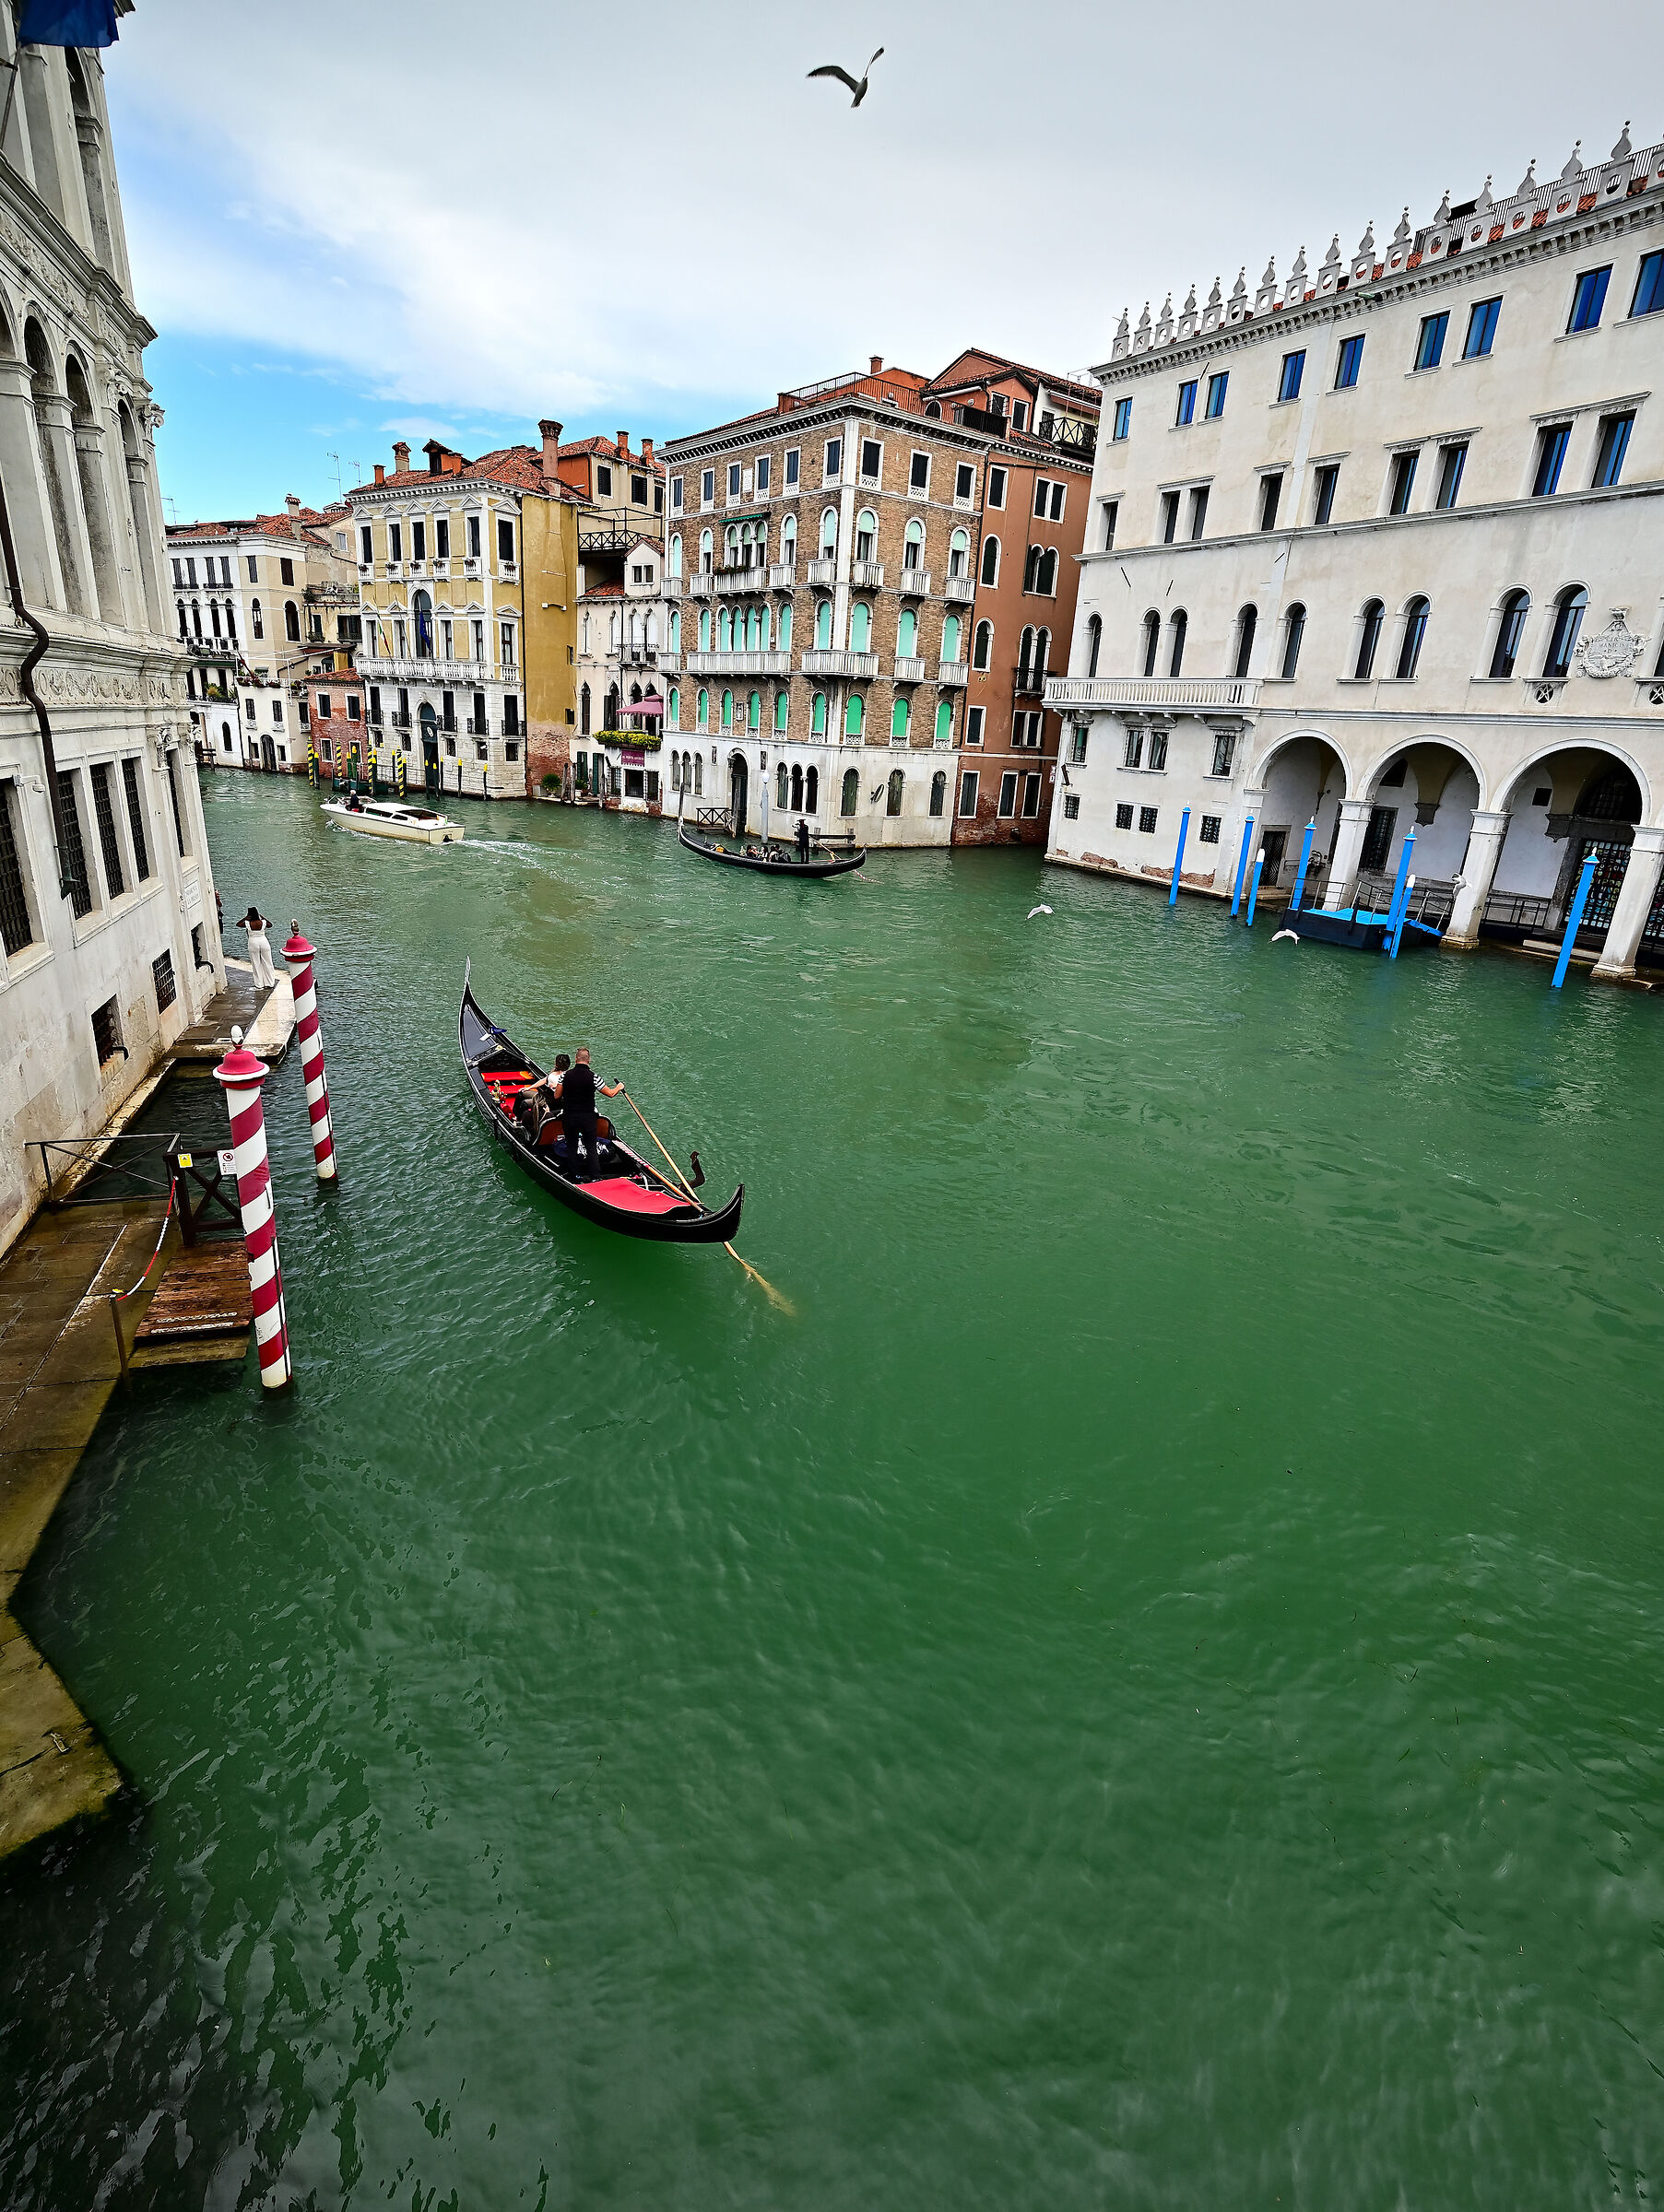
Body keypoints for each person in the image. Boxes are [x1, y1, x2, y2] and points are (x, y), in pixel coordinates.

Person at [560, 1047, 623, 1180]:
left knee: (571, 1146)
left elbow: (556, 1095)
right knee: (591, 1147)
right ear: (589, 1060)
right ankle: (594, 1176)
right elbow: (610, 1094)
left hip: (570, 1117)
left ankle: (574, 1175)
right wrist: (619, 1087)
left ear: (576, 1059)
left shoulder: (565, 1076)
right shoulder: (594, 1077)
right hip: (588, 1118)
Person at [240, 907, 277, 990]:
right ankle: (270, 983)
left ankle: (259, 984)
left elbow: (238, 924)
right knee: (268, 962)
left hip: (253, 942)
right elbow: (270, 925)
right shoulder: (263, 922)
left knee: (256, 963)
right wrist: (263, 917)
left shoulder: (247, 923)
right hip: (263, 941)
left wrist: (245, 918)